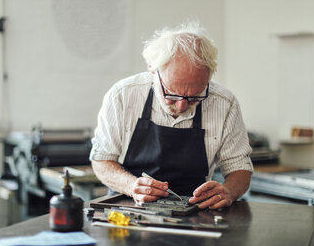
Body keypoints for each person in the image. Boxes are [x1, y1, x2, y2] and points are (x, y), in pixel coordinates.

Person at [90, 21, 253, 210]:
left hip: (195, 214)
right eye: (172, 94)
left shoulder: (225, 103)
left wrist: (228, 191)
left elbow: (240, 168)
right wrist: (131, 186)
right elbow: (101, 160)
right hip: (129, 209)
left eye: (194, 96)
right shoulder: (123, 96)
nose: (182, 105)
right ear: (153, 70)